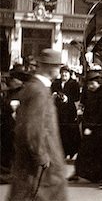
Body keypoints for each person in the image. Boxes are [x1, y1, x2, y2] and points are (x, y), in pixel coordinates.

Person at [8, 48, 67, 200]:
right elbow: (32, 127)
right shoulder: (38, 91)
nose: (59, 70)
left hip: (39, 160)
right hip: (41, 163)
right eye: (57, 66)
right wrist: (41, 156)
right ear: (49, 67)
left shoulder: (37, 88)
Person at [68, 70, 102, 184]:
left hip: (99, 126)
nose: (90, 86)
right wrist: (80, 111)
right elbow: (83, 104)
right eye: (88, 84)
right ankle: (78, 172)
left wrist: (91, 127)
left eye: (92, 84)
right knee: (83, 150)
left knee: (98, 152)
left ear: (99, 83)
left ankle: (99, 176)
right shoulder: (87, 91)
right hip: (88, 123)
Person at [51, 65, 81, 159]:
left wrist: (67, 98)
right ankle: (62, 151)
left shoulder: (74, 83)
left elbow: (76, 97)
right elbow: (51, 92)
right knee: (60, 131)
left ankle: (71, 151)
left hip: (69, 111)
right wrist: (54, 95)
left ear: (70, 74)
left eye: (66, 73)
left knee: (70, 131)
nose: (64, 74)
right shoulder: (56, 83)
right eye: (62, 73)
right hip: (58, 110)